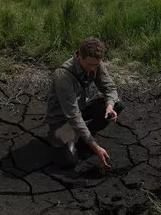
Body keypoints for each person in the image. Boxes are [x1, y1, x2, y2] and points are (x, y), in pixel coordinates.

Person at [45, 37, 124, 170]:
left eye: (96, 64)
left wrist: (109, 106)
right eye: (90, 64)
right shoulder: (63, 77)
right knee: (68, 162)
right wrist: (96, 147)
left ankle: (82, 139)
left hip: (80, 108)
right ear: (79, 56)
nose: (93, 69)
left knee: (118, 104)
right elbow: (73, 116)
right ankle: (59, 137)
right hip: (62, 120)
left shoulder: (96, 63)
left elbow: (110, 88)